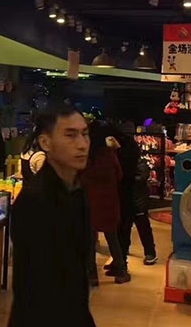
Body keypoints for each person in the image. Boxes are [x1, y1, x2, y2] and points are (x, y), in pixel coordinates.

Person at [9, 104, 95, 327]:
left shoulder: (77, 190)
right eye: (70, 135)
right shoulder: (34, 201)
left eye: (85, 134)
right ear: (46, 143)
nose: (82, 144)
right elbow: (40, 285)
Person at [81, 120, 130, 284]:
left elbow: (81, 177)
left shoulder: (86, 155)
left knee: (89, 240)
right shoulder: (108, 154)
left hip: (90, 201)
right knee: (112, 237)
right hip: (109, 201)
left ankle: (92, 276)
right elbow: (119, 174)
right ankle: (121, 272)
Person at [116, 133, 157, 266]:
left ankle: (149, 252)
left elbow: (141, 177)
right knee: (132, 228)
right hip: (134, 200)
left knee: (139, 227)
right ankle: (146, 252)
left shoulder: (132, 163)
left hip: (135, 200)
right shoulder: (137, 162)